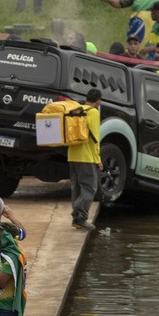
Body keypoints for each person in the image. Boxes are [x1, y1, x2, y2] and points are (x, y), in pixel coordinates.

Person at [67, 88, 103, 230]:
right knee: (90, 188)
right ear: (98, 101)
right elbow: (95, 138)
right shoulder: (93, 112)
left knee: (76, 187)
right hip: (86, 157)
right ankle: (80, 215)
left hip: (72, 155)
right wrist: (98, 159)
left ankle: (77, 219)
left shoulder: (76, 110)